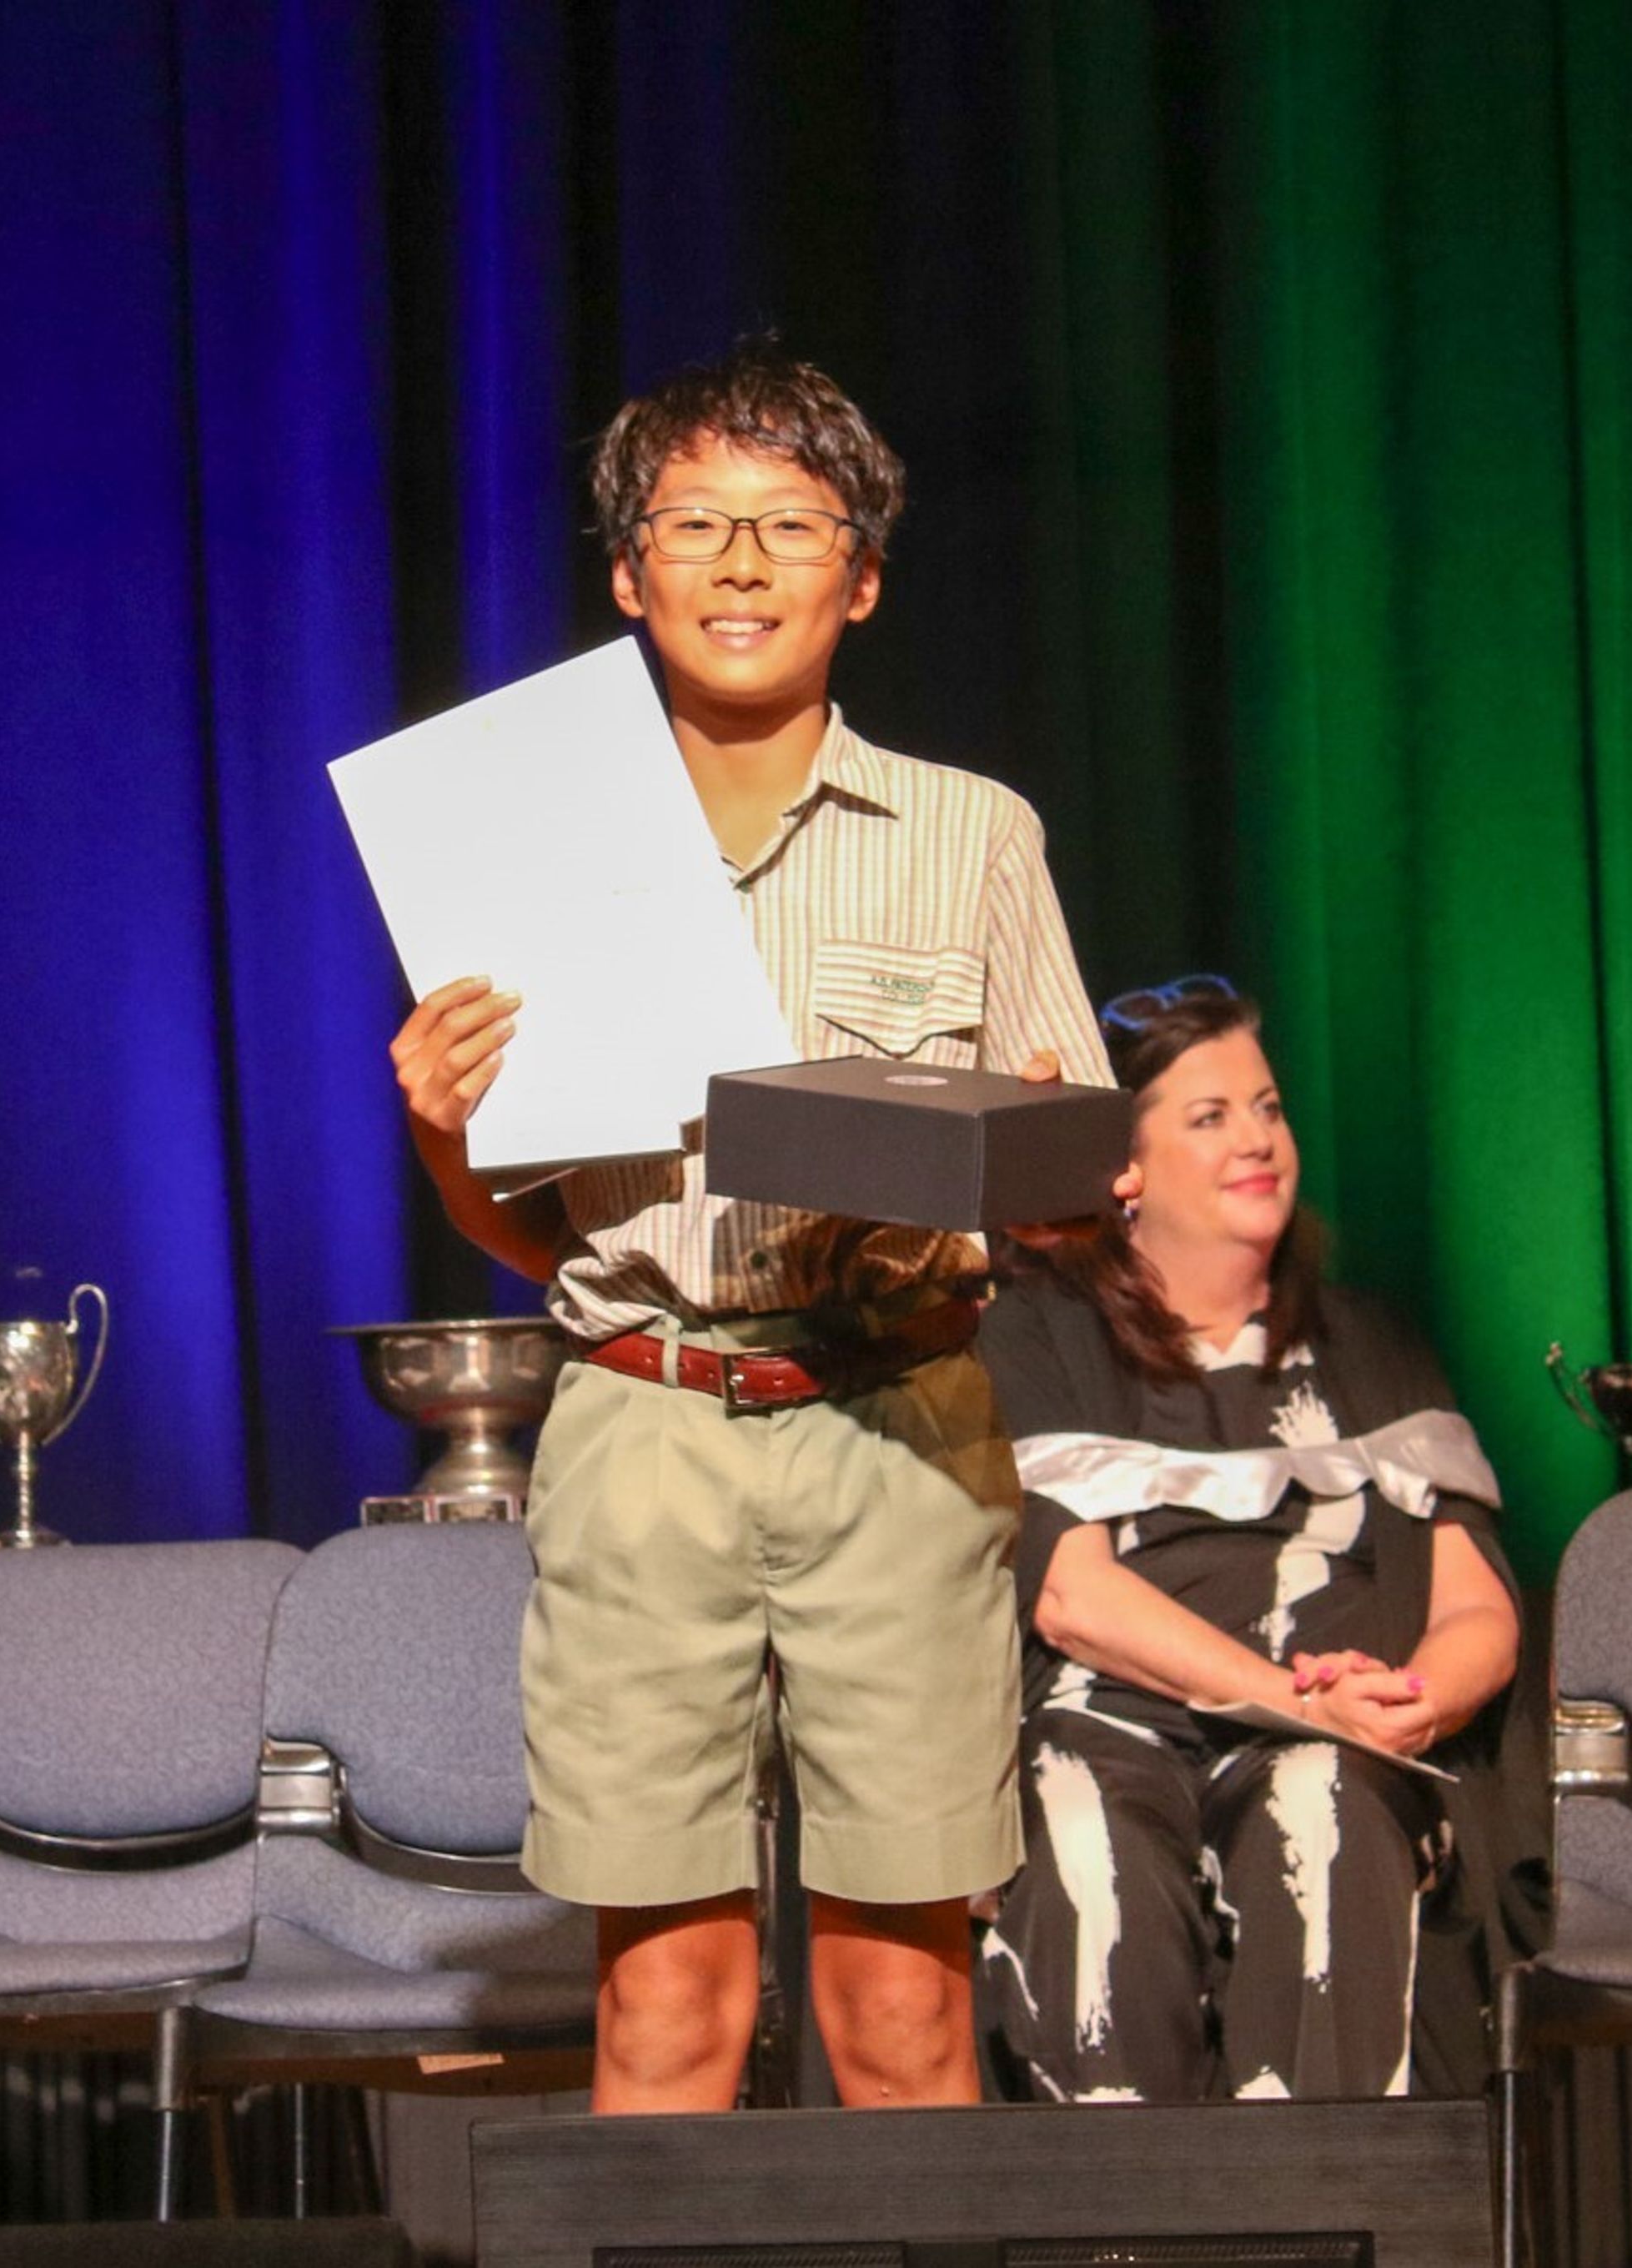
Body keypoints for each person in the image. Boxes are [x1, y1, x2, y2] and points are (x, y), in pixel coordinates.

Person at [389, 344, 1115, 2112]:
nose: (738, 561)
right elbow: (518, 1222)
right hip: (643, 1424)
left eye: (790, 524)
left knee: (902, 2012)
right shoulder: (530, 844)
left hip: (896, 1425)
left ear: (858, 579)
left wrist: (1025, 1143)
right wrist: (438, 1123)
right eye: (692, 523)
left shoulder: (968, 833)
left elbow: (1079, 1185)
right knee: (661, 2008)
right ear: (627, 575)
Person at [977, 976, 1520, 2105]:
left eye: (1268, 1108)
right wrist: (1291, 1698)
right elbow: (1074, 1598)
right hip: (1114, 1716)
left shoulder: (1370, 1343)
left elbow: (1477, 1607)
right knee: (1078, 1811)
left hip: (1340, 1735)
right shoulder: (1040, 1335)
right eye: (1211, 1116)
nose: (1258, 1140)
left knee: (1322, 1804)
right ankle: (1117, 2198)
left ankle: (1319, 2189)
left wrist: (1413, 1703)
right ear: (1125, 1170)